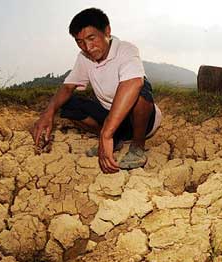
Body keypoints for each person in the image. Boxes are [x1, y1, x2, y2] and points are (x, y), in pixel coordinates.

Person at [32, 7, 162, 174]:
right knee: (69, 105)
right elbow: (67, 87)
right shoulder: (83, 58)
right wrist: (47, 114)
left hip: (141, 122)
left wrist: (105, 134)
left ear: (107, 31)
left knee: (141, 89)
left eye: (91, 38)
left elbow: (133, 83)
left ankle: (137, 146)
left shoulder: (126, 49)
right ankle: (116, 140)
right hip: (112, 118)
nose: (87, 47)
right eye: (80, 42)